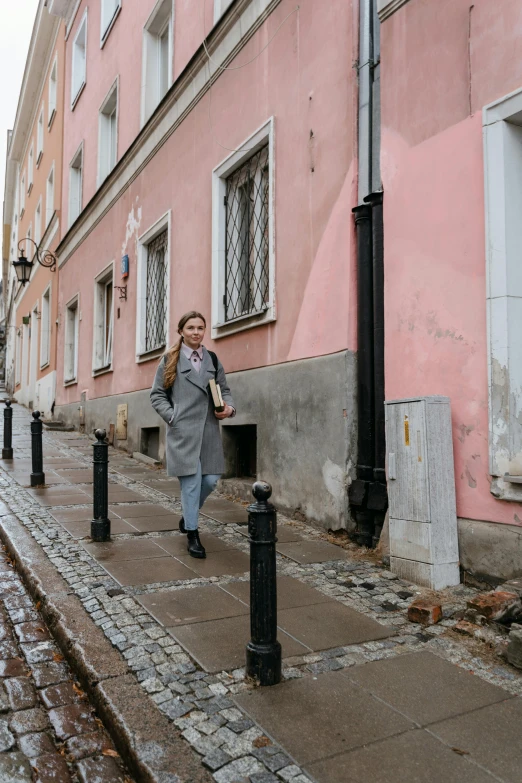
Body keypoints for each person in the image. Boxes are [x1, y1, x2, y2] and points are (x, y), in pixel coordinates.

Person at [150, 311, 235, 558]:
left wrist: (228, 408)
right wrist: (172, 416)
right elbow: (157, 395)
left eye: (200, 328)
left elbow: (225, 390)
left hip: (209, 429)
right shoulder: (169, 361)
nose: (196, 332)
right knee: (191, 484)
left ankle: (188, 516)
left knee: (211, 480)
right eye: (190, 328)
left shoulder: (213, 359)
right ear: (181, 331)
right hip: (182, 431)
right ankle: (193, 534)